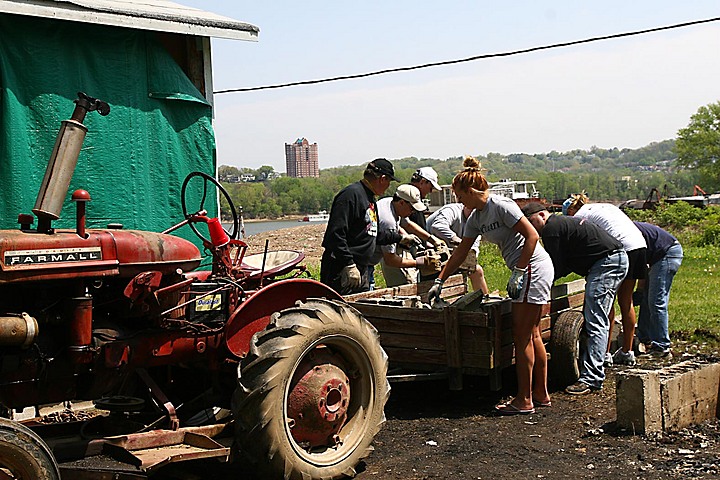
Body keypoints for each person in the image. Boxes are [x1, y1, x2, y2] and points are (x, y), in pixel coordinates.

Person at [428, 157, 554, 415]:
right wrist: (440, 279)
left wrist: (519, 271)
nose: (458, 200)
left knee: (521, 336)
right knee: (532, 334)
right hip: (525, 269)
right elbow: (461, 252)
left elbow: (532, 235)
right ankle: (540, 394)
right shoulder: (475, 217)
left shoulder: (501, 205)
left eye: (459, 195)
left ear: (470, 191)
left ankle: (524, 400)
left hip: (533, 267)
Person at [522, 202, 628, 395]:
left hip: (607, 263)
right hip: (612, 259)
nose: (530, 226)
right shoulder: (561, 224)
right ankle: (599, 362)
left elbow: (554, 266)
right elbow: (565, 263)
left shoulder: (551, 229)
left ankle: (592, 378)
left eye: (531, 221)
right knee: (598, 317)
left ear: (542, 215)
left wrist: (540, 284)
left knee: (595, 320)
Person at [565, 193, 647, 366]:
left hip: (621, 249)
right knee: (626, 301)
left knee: (606, 302)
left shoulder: (580, 216)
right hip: (639, 246)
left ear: (572, 210)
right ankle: (627, 351)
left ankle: (605, 352)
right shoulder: (604, 206)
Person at [321, 158, 409, 295]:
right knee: (339, 312)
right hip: (340, 269)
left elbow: (373, 233)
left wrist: (399, 238)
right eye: (389, 182)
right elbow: (335, 234)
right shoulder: (351, 195)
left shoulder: (371, 199)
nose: (388, 187)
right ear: (382, 179)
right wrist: (348, 264)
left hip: (361, 268)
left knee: (361, 312)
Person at [382, 167, 443, 283]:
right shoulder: (389, 221)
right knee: (407, 286)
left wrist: (432, 239)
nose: (412, 212)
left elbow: (408, 224)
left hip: (405, 252)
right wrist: (419, 263)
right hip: (397, 253)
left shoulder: (395, 203)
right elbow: (390, 260)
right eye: (412, 209)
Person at [633, 221, 683, 357]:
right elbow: (642, 264)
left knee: (656, 302)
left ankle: (662, 346)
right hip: (656, 256)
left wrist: (638, 290)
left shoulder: (627, 233)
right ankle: (644, 338)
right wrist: (640, 291)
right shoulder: (625, 229)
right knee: (647, 300)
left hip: (667, 253)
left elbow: (640, 264)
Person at [425, 202, 489, 294]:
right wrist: (456, 240)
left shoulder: (476, 223)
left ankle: (484, 300)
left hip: (451, 255)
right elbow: (437, 226)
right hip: (430, 251)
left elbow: (474, 246)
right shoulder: (452, 210)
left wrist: (470, 257)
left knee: (476, 270)